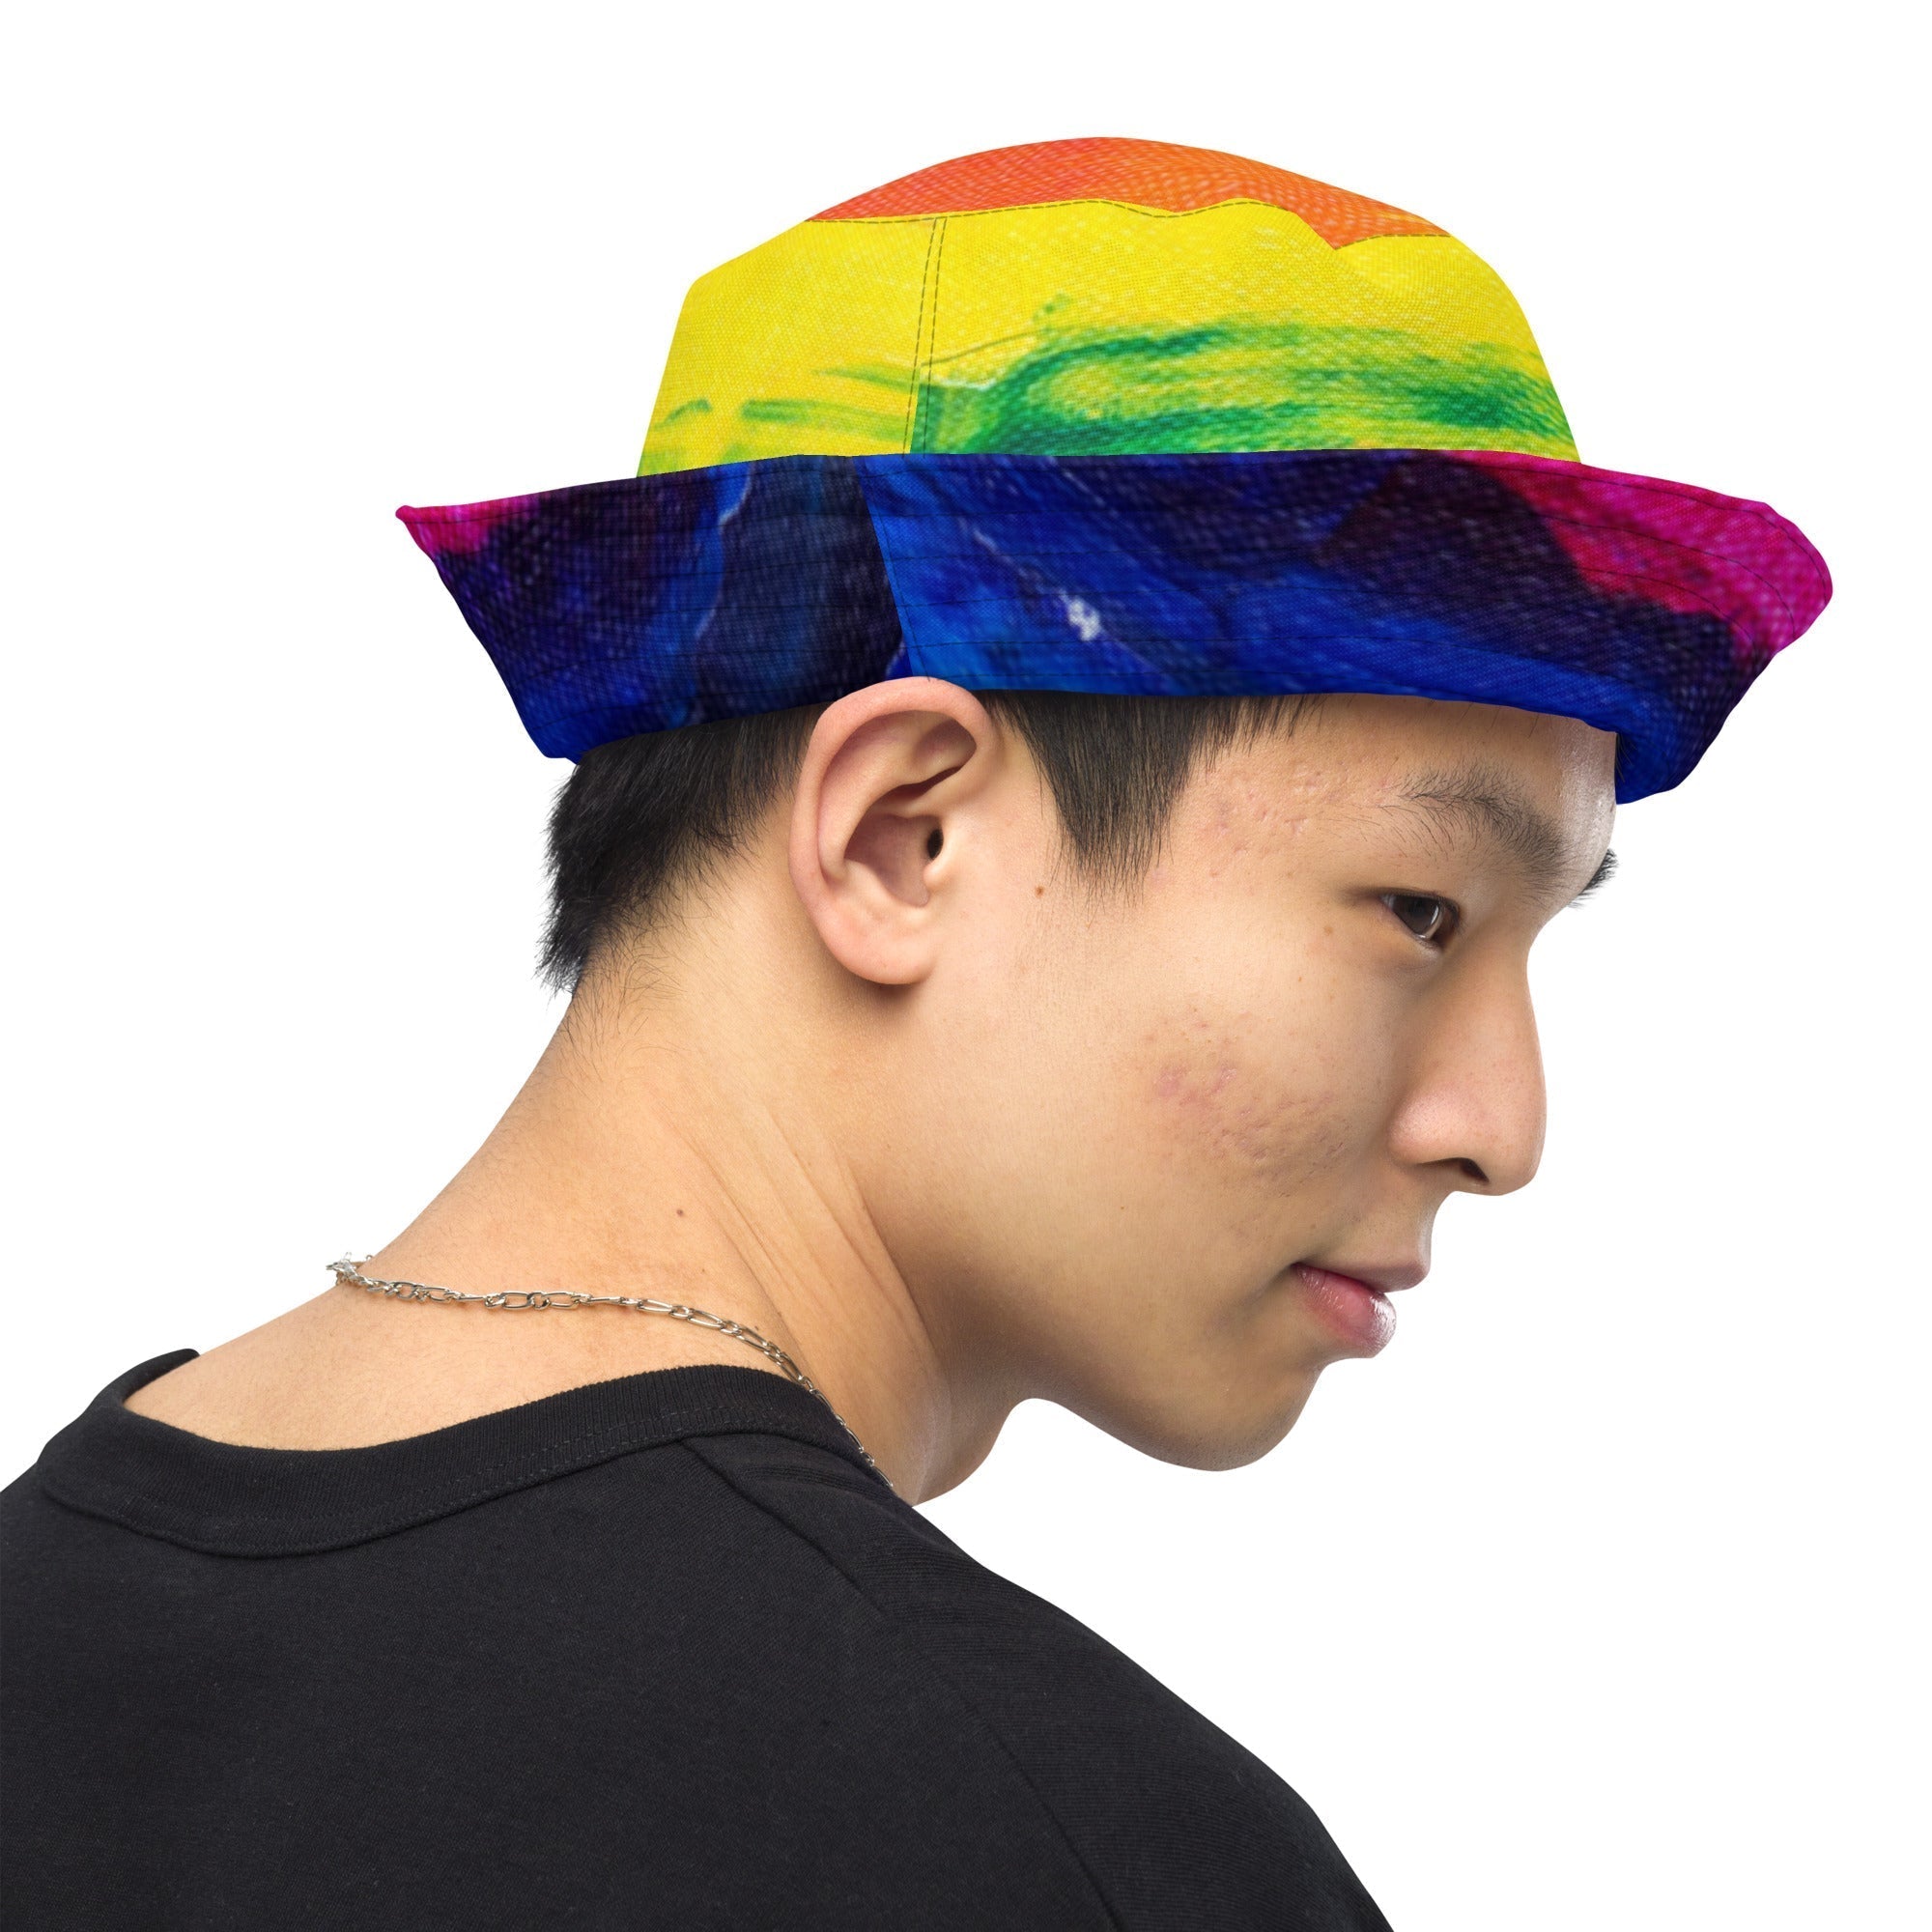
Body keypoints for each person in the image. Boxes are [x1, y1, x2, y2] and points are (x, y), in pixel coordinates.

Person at [0, 137, 1829, 1928]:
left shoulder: (46, 1603)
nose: (1503, 1128)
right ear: (903, 837)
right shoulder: (1072, 1854)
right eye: (1421, 912)